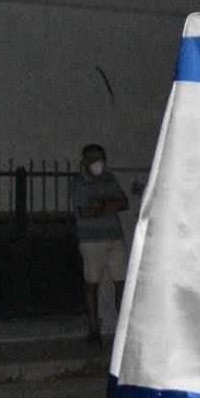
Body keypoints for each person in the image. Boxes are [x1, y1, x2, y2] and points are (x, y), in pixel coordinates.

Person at [70, 143, 130, 346]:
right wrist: (109, 205)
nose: (98, 163)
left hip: (115, 238)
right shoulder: (79, 182)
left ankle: (123, 328)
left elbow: (124, 202)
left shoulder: (109, 178)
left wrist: (100, 205)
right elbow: (85, 211)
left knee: (121, 283)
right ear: (84, 162)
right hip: (91, 241)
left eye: (101, 158)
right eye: (93, 159)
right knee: (92, 284)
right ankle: (94, 329)